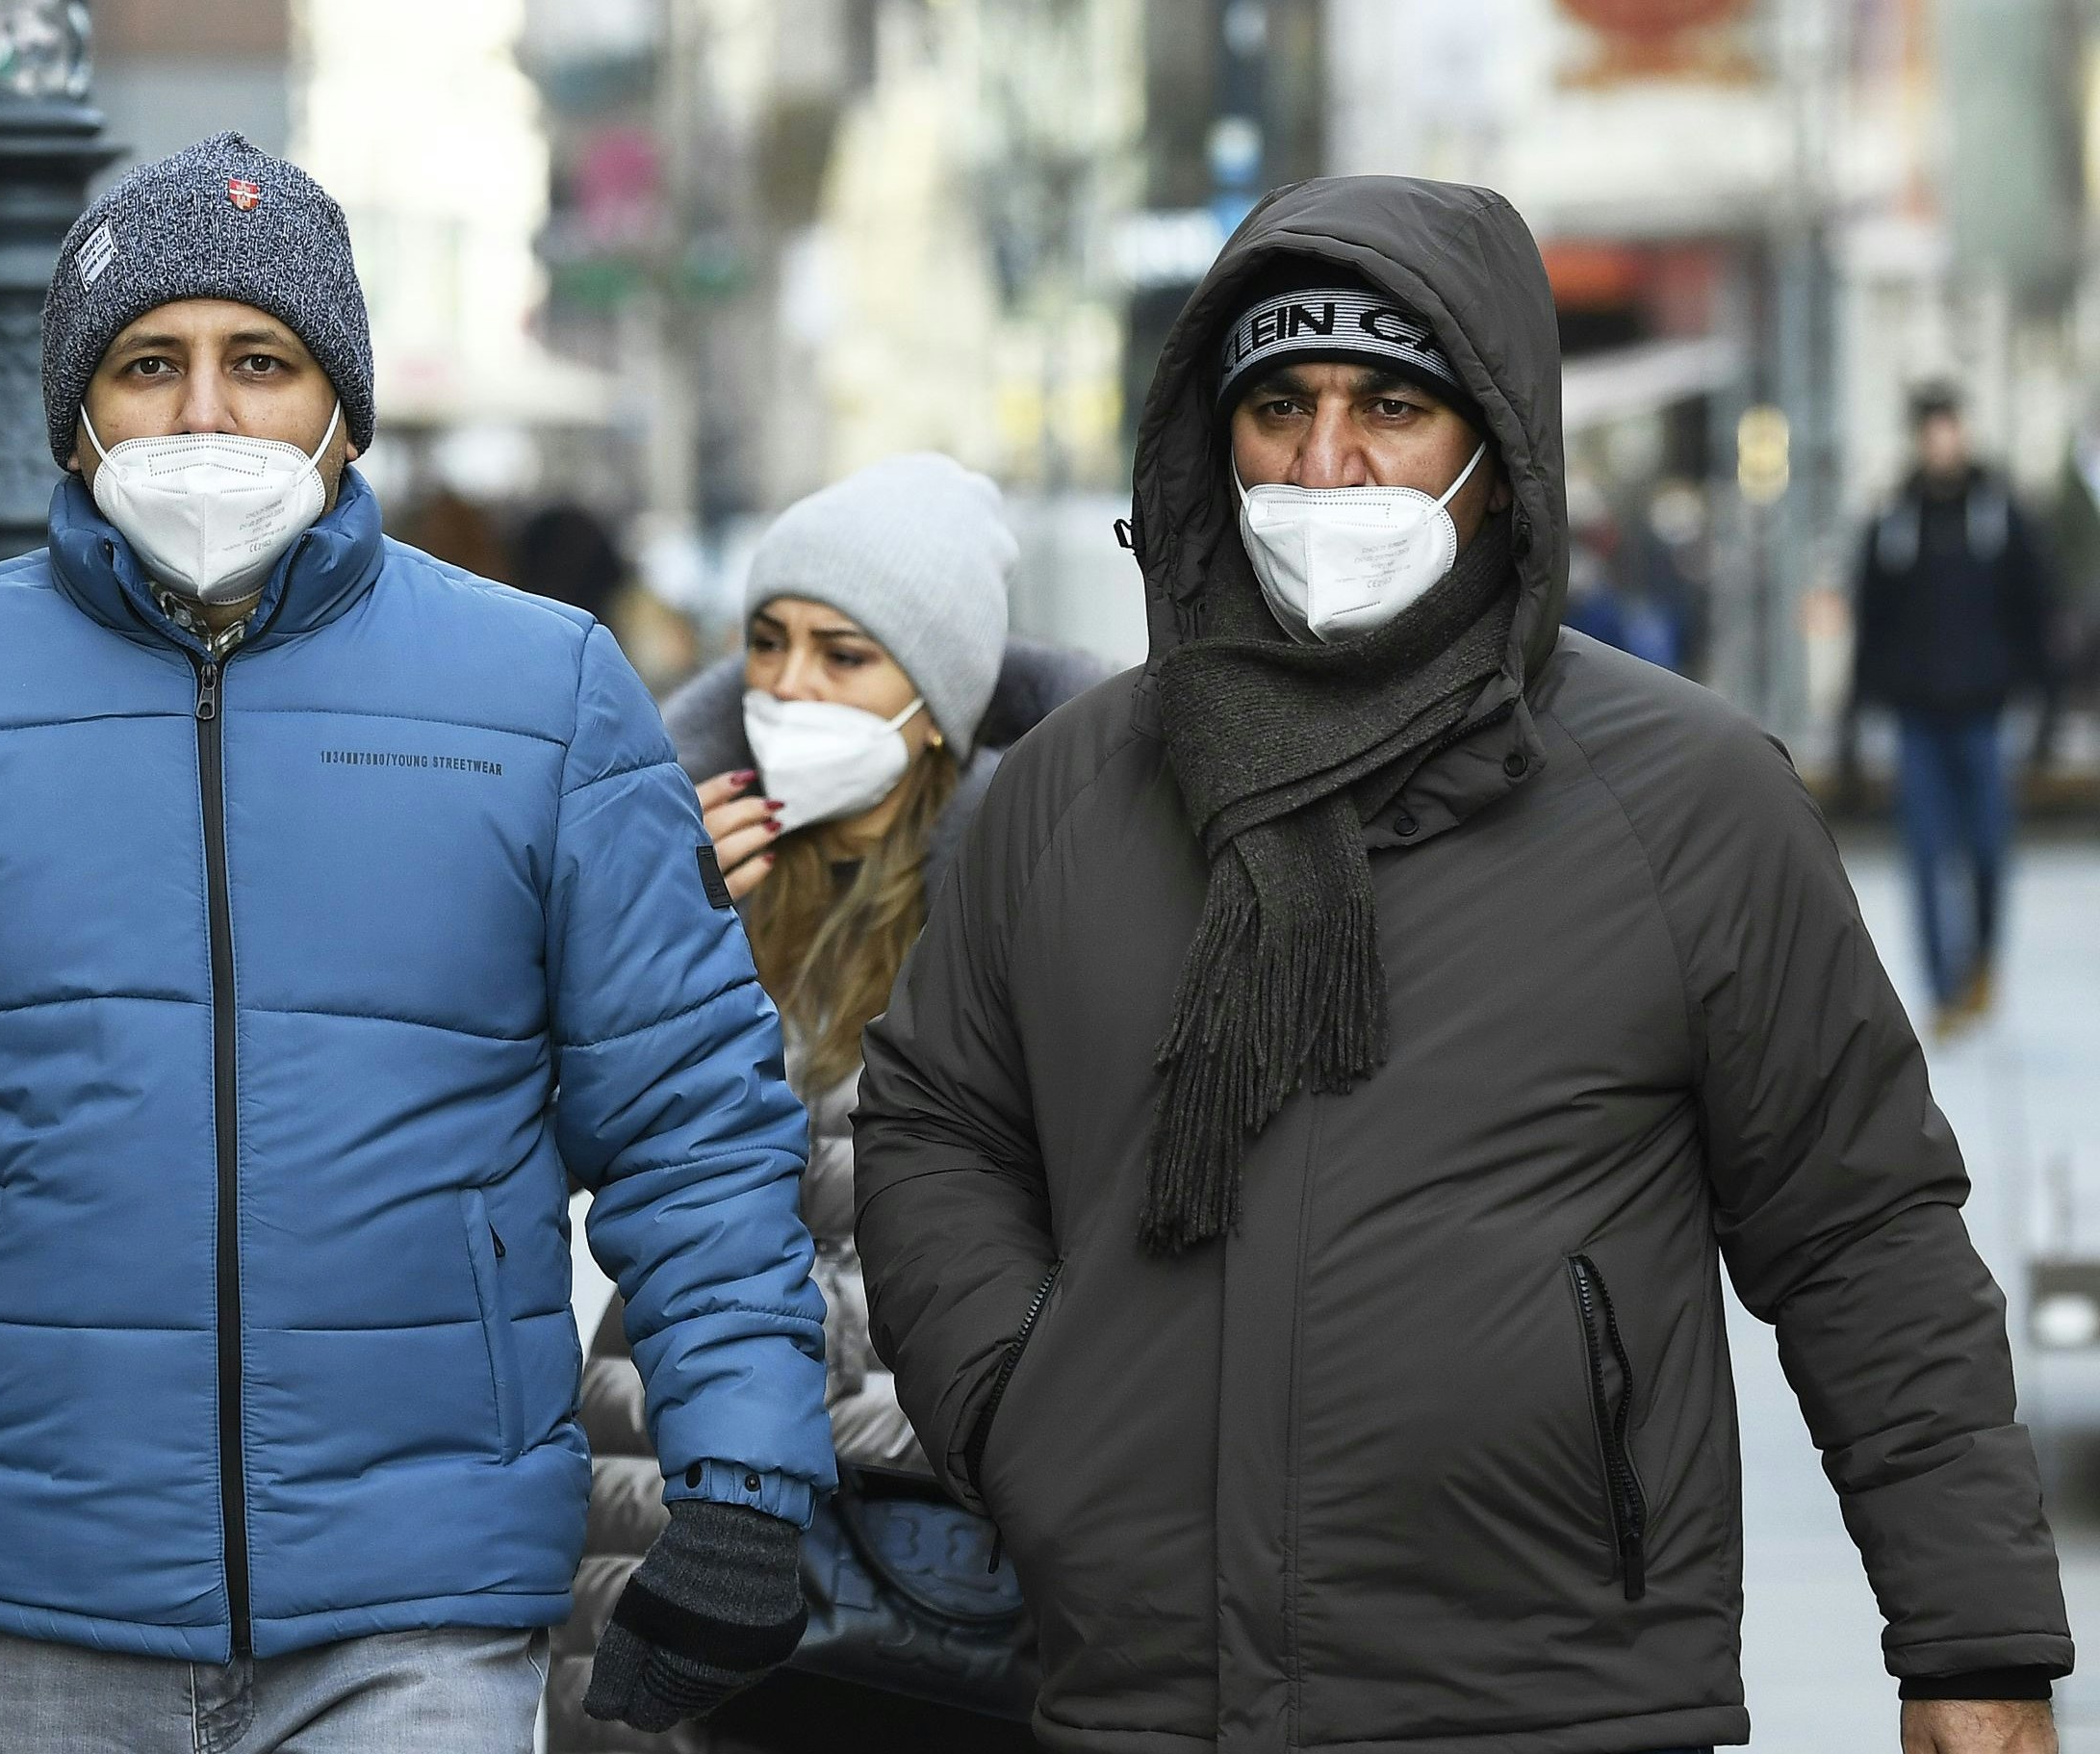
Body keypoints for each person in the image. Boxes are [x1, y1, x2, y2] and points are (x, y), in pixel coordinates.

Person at [0, 134, 832, 1753]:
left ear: (340, 400)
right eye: (145, 364)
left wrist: (741, 1492)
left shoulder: (542, 693)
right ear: (76, 410)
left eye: (260, 362)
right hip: (34, 1603)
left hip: (423, 1607)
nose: (202, 418)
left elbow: (691, 1125)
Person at [856, 173, 2069, 1752]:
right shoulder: (1071, 797)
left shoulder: (1683, 800)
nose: (1326, 462)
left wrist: (1970, 1645)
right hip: (1149, 1696)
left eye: (1393, 406)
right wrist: (1026, 1408)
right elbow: (938, 1116)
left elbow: (1860, 1230)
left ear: (1499, 456)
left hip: (1554, 1696)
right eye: (1278, 403)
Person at [552, 454, 1093, 1754]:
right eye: (768, 643)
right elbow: (555, 1145)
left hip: (904, 1561)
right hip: (654, 1495)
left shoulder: (1028, 908)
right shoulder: (697, 856)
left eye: (845, 656)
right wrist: (651, 929)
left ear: (939, 702)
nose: (787, 689)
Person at [1852, 381, 2054, 1032]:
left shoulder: (2000, 514)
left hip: (1983, 714)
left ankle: (1983, 961)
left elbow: (2035, 611)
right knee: (1928, 856)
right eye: (1931, 428)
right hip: (1917, 717)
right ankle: (1943, 991)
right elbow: (1870, 623)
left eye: (1950, 426)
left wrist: (2042, 704)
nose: (1943, 440)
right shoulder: (1894, 521)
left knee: (1990, 851)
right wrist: (1854, 719)